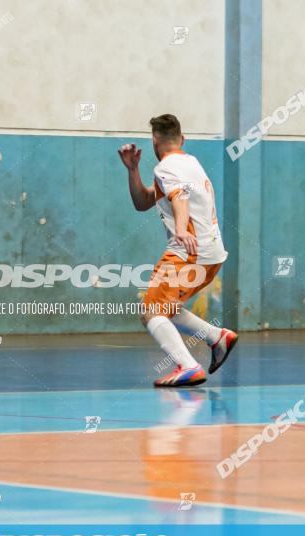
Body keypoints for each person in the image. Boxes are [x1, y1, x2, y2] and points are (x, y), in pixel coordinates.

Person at [118, 114, 237, 387]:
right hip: (211, 254)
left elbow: (179, 197)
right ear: (182, 139)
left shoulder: (166, 168)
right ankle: (217, 337)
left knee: (150, 311)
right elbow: (143, 202)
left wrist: (181, 229)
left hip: (189, 250)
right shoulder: (190, 163)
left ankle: (188, 366)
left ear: (154, 141)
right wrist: (133, 171)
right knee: (166, 306)